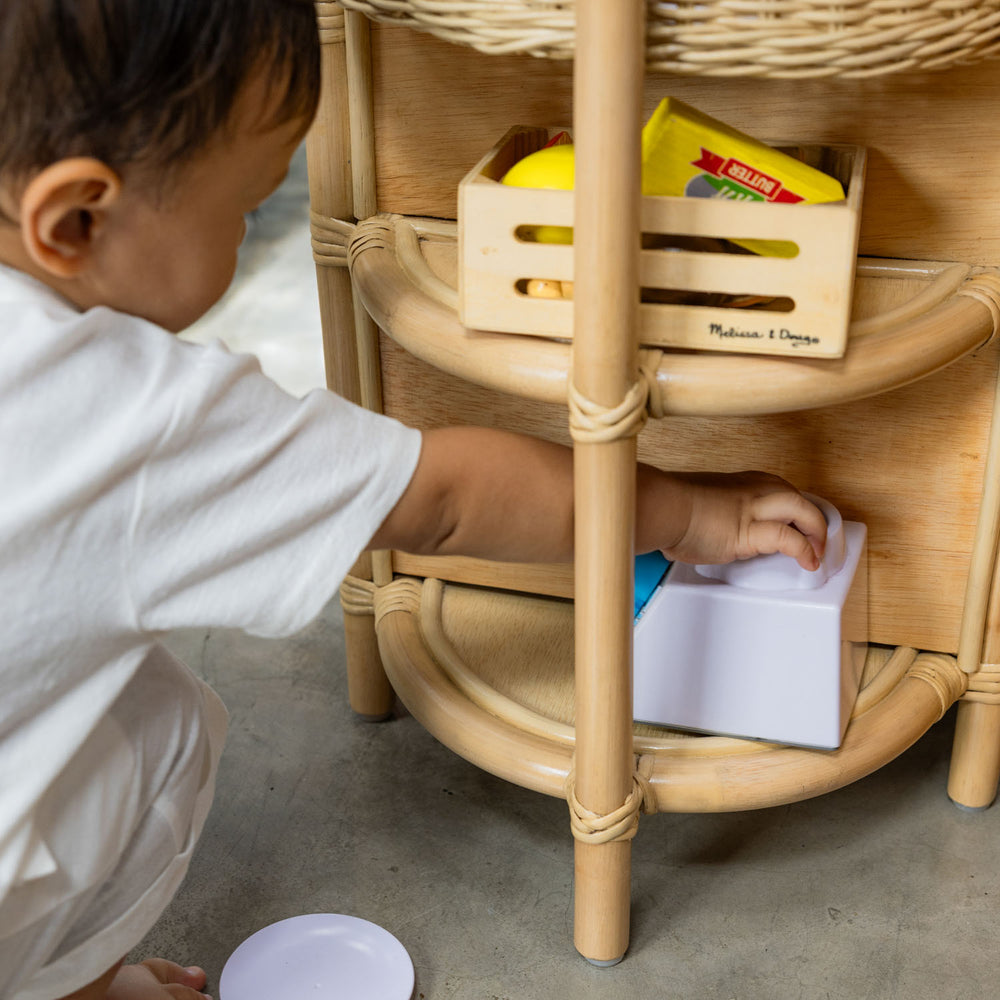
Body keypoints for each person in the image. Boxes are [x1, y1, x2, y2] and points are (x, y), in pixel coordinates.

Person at [0, 1, 827, 998]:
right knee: (156, 727)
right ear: (76, 218)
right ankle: (73, 984)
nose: (253, 228)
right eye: (247, 208)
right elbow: (441, 498)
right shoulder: (126, 420)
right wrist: (699, 515)